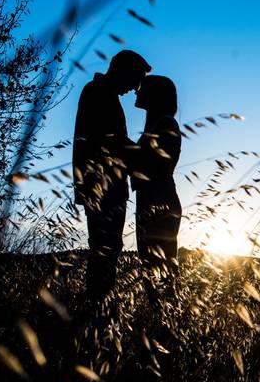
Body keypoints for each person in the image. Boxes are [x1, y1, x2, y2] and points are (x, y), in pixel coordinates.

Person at [72, 50, 152, 308]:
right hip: (102, 188)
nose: (135, 87)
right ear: (123, 70)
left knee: (107, 249)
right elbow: (110, 142)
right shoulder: (98, 92)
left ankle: (100, 309)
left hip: (104, 187)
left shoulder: (100, 93)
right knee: (105, 251)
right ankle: (98, 310)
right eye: (136, 79)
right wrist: (144, 155)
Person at [131, 75, 182, 303]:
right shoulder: (160, 123)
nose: (136, 92)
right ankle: (163, 321)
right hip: (153, 198)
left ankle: (168, 323)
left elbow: (154, 164)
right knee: (153, 266)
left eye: (142, 88)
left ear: (156, 95)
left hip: (158, 200)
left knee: (159, 266)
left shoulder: (165, 124)